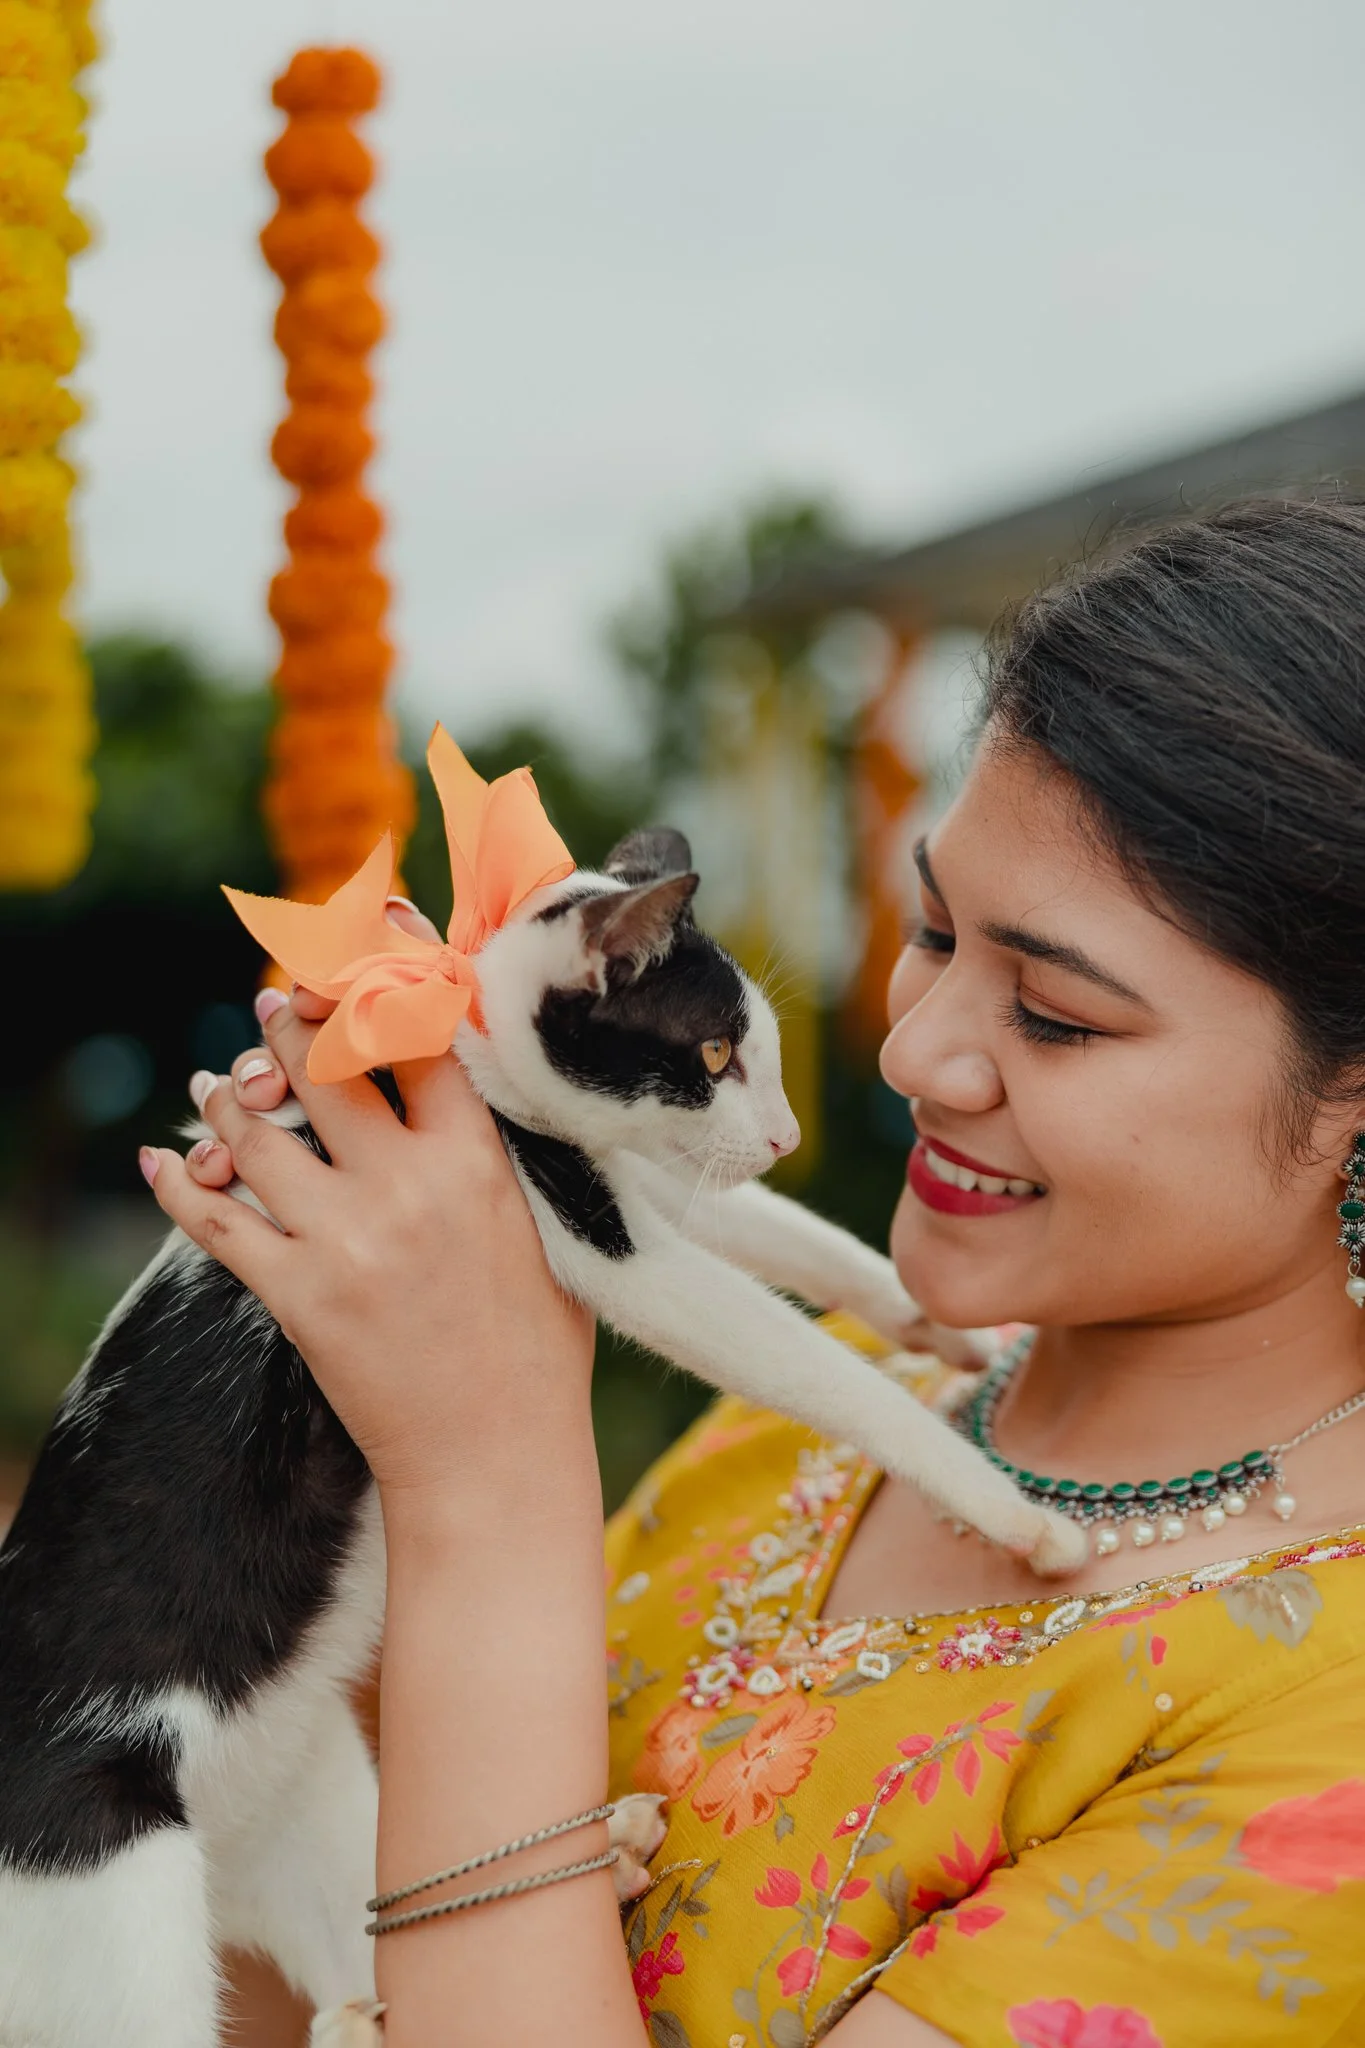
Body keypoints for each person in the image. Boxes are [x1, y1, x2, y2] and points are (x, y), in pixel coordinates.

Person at [142, 496, 1365, 2047]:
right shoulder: (810, 1428)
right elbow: (249, 1962)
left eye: (1055, 1016)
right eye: (932, 932)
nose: (916, 1053)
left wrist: (489, 1480)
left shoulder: (1332, 1729)